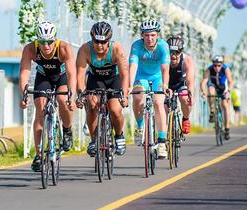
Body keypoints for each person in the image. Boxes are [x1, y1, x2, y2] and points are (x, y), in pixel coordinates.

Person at [19, 21, 77, 172]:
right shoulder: (30, 49)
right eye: (42, 42)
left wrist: (72, 96)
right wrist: (24, 95)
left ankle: (67, 129)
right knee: (40, 109)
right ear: (37, 40)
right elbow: (24, 72)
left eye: (49, 41)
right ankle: (38, 154)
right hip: (43, 77)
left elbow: (72, 74)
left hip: (61, 76)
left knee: (62, 99)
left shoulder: (64, 48)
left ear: (55, 39)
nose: (46, 45)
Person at [76, 21, 129, 157]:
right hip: (96, 79)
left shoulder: (117, 49)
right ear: (92, 39)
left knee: (115, 109)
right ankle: (94, 140)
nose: (100, 45)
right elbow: (80, 76)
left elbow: (124, 75)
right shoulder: (85, 49)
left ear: (109, 40)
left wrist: (124, 96)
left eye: (103, 42)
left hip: (114, 79)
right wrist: (80, 95)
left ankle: (119, 136)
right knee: (92, 104)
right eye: (96, 41)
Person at [129, 19, 171, 159]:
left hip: (158, 77)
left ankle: (162, 142)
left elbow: (165, 69)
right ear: (142, 36)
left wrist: (165, 85)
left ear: (157, 35)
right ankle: (140, 127)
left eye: (152, 35)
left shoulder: (163, 46)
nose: (149, 38)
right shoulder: (136, 46)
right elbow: (133, 66)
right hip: (141, 77)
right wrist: (129, 85)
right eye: (146, 35)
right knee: (137, 95)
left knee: (158, 103)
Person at [201, 55, 234, 140]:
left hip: (223, 87)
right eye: (215, 65)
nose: (216, 67)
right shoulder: (209, 69)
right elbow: (204, 82)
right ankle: (212, 111)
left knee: (225, 105)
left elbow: (230, 82)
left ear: (222, 65)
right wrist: (203, 92)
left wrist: (228, 92)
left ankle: (227, 129)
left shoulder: (226, 69)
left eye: (219, 65)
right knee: (211, 91)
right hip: (213, 85)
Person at [166, 35, 195, 134]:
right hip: (166, 84)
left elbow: (190, 79)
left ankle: (185, 118)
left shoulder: (187, 60)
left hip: (180, 83)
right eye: (170, 52)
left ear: (181, 52)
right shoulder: (163, 58)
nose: (173, 55)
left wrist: (190, 94)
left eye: (177, 52)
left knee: (184, 98)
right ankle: (163, 134)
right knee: (164, 107)